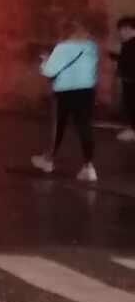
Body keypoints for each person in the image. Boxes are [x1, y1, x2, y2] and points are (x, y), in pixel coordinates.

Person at [33, 19, 100, 182]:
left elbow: (49, 71)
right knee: (84, 127)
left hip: (65, 92)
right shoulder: (91, 47)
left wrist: (44, 61)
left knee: (58, 127)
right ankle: (88, 166)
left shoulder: (63, 48)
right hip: (86, 91)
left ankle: (48, 160)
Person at [112, 17, 135, 144]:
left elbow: (129, 63)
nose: (119, 33)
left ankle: (133, 131)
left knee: (131, 105)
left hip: (131, 81)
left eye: (120, 30)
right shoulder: (129, 44)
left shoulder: (130, 44)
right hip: (130, 80)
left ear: (127, 29)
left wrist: (117, 60)